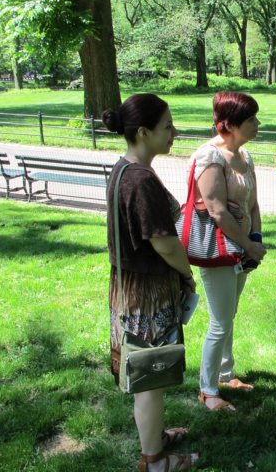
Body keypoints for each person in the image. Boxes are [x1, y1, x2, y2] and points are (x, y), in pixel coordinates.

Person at [104, 94, 198, 471]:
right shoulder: (140, 179)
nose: (174, 133)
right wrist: (188, 274)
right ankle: (156, 461)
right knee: (151, 378)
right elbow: (164, 243)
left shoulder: (123, 168)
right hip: (147, 292)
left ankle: (154, 438)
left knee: (145, 372)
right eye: (167, 127)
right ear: (143, 132)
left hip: (128, 285)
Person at [189, 91, 266, 412]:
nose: (258, 124)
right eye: (251, 120)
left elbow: (253, 203)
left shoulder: (244, 157)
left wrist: (255, 238)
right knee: (220, 322)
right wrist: (248, 245)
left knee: (228, 316)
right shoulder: (209, 157)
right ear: (230, 124)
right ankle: (208, 391)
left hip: (243, 250)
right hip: (219, 250)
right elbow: (217, 210)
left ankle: (225, 375)